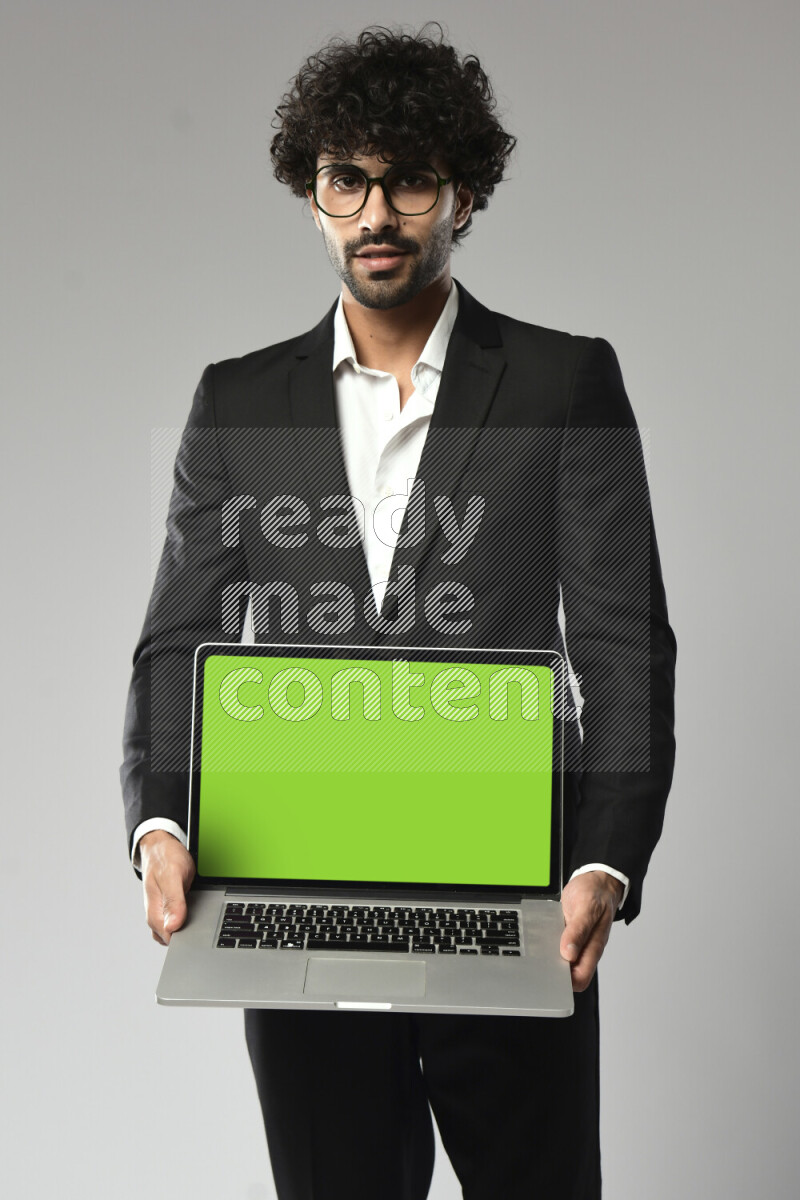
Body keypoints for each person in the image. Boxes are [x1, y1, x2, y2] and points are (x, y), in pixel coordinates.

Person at [121, 23, 676, 1199]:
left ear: (460, 193)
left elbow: (622, 641)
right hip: (290, 884)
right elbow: (179, 637)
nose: (376, 211)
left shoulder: (561, 380)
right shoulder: (237, 400)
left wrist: (602, 864)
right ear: (312, 197)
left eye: (408, 179)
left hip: (507, 888)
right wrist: (162, 829)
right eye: (345, 180)